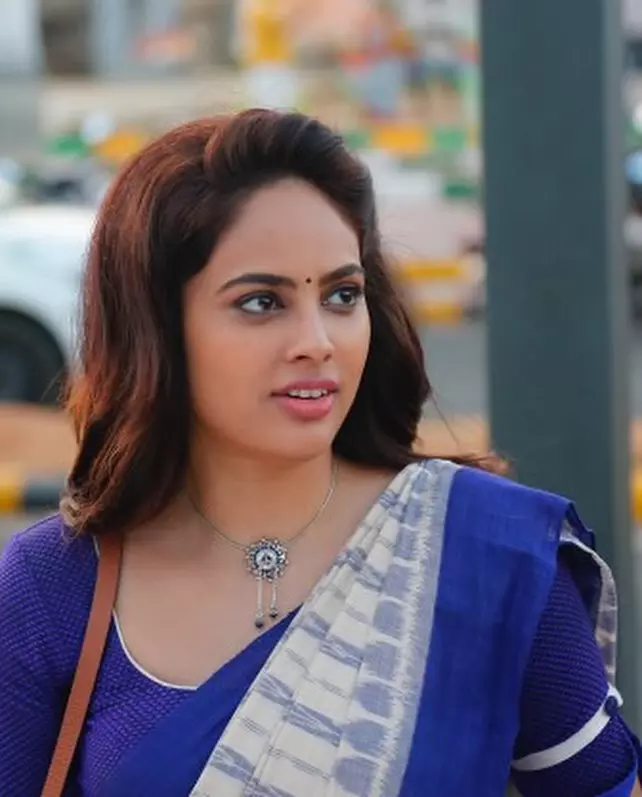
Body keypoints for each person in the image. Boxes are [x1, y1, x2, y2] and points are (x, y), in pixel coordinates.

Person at [0, 110, 640, 797]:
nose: (317, 341)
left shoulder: (486, 554)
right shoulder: (56, 584)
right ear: (155, 327)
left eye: (342, 295)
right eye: (261, 302)